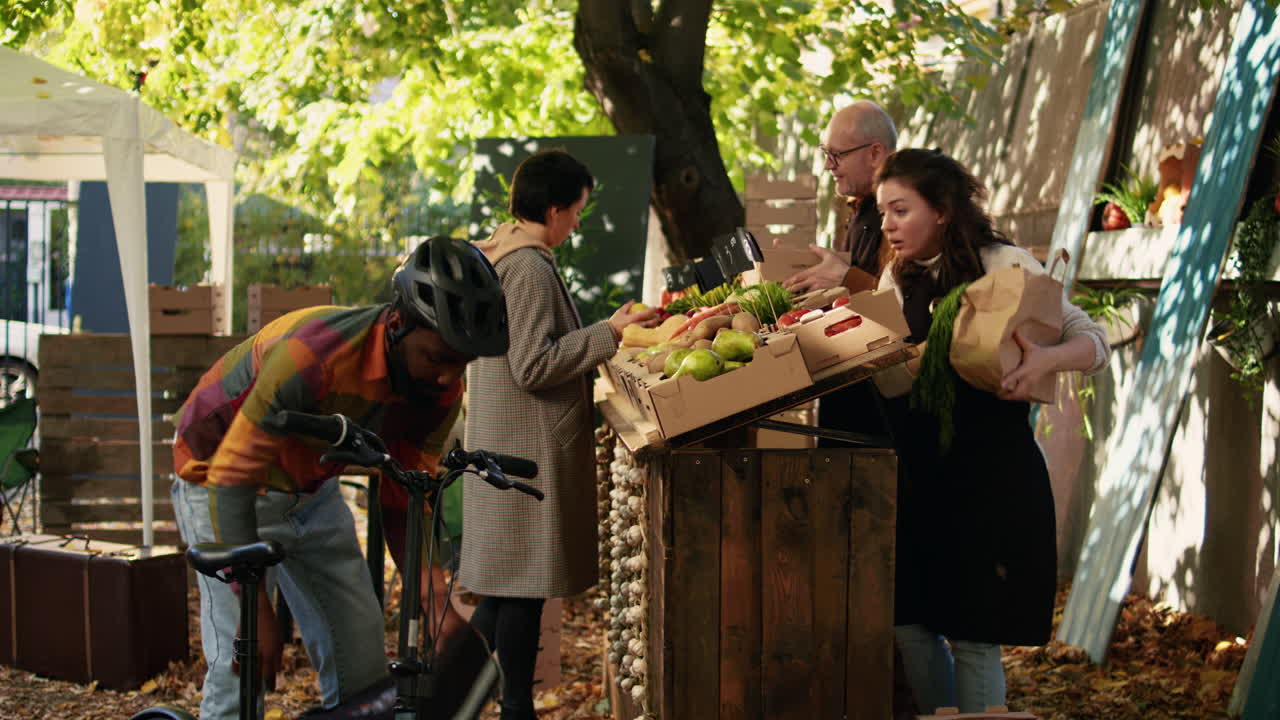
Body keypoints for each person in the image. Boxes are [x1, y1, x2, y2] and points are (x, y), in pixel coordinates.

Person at [171, 236, 508, 720]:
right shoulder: (312, 355)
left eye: (460, 362)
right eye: (436, 357)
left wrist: (437, 597)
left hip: (308, 486)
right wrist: (254, 609)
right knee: (242, 673)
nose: (447, 378)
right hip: (217, 476)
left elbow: (404, 493)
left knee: (363, 667)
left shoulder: (439, 391)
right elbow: (232, 474)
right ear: (397, 325)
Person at [872, 148, 1110, 714]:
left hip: (990, 478)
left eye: (900, 210)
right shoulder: (896, 276)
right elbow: (885, 370)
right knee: (909, 626)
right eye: (883, 212)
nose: (887, 225)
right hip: (920, 478)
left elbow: (1093, 340)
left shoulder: (1005, 264)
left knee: (975, 637)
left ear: (944, 210)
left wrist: (1042, 363)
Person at [461, 149, 655, 720]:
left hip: (508, 443)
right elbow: (532, 365)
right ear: (553, 209)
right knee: (519, 589)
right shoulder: (526, 265)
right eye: (576, 212)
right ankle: (511, 708)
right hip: (523, 451)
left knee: (504, 591)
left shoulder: (505, 250)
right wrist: (610, 332)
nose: (577, 223)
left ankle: (453, 699)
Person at [784, 99, 899, 447]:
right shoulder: (860, 205)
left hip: (885, 412)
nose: (827, 166)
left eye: (837, 155)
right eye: (825, 153)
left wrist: (846, 278)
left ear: (876, 153)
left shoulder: (894, 215)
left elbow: (901, 308)